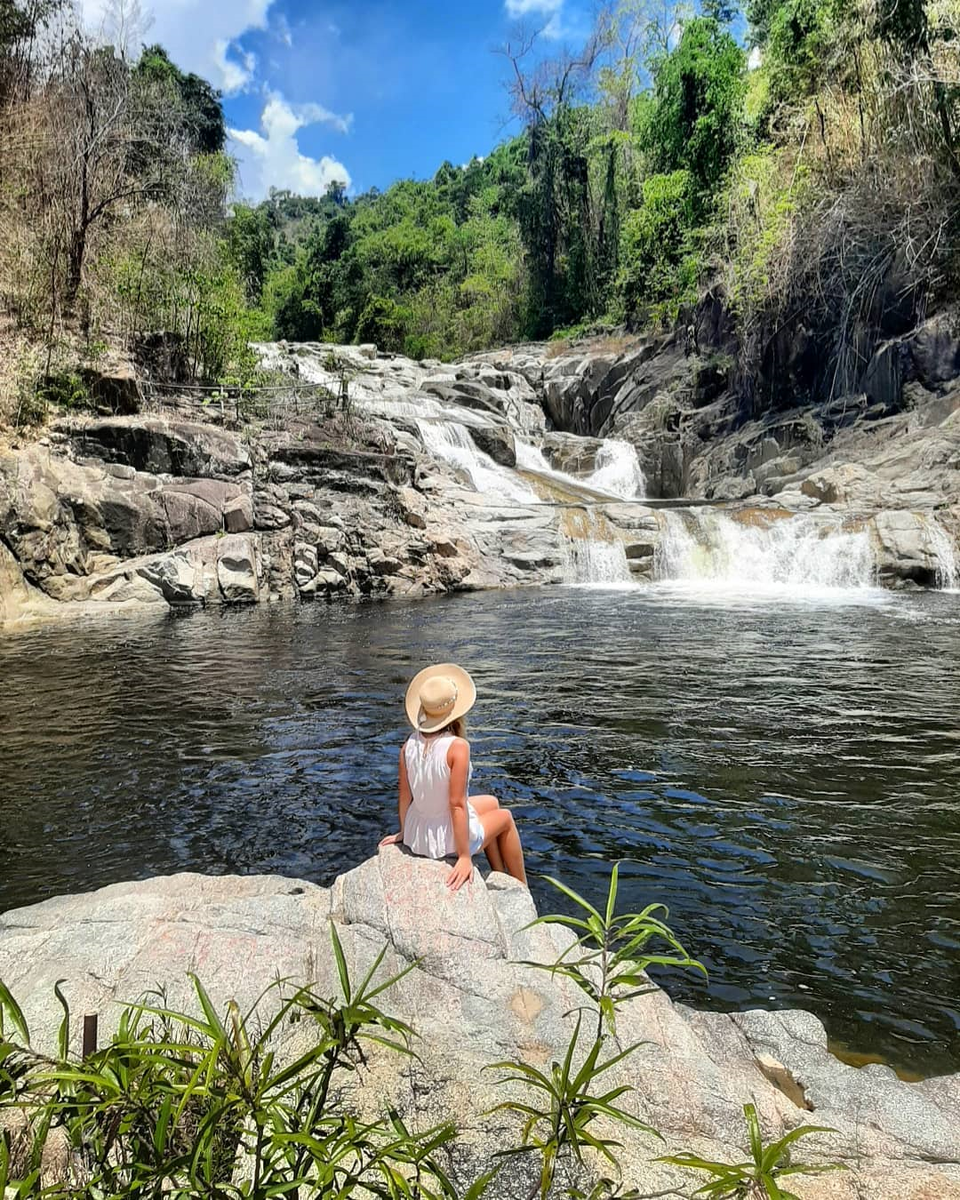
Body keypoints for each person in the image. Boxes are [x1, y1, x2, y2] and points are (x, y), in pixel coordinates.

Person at [379, 663, 527, 893]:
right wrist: (465, 856)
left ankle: (498, 875)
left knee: (492, 802)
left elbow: (404, 797)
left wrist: (405, 831)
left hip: (419, 830)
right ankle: (520, 889)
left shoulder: (408, 745)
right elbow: (456, 805)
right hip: (445, 838)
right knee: (505, 817)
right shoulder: (458, 747)